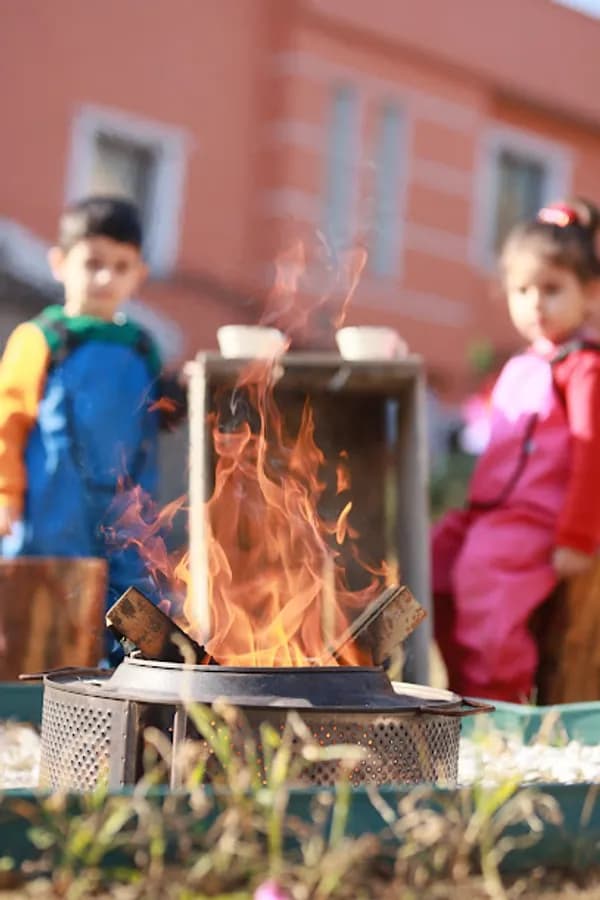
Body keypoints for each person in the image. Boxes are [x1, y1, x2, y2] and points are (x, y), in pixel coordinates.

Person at [0, 196, 185, 656]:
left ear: (139, 274)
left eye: (121, 266)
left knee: (130, 603)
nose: (106, 277)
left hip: (128, 510)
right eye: (93, 262)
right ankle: (30, 708)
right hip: (51, 511)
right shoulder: (40, 338)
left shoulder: (144, 348)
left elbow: (151, 422)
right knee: (45, 610)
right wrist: (5, 496)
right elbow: (8, 422)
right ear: (60, 263)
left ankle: (122, 694)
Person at [432, 197, 600, 703]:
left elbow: (590, 453)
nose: (535, 303)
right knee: (436, 560)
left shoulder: (583, 367)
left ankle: (499, 701)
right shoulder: (521, 365)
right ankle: (463, 685)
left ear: (589, 292)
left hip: (537, 519)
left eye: (552, 289)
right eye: (523, 290)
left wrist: (576, 536)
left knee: (487, 580)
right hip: (490, 512)